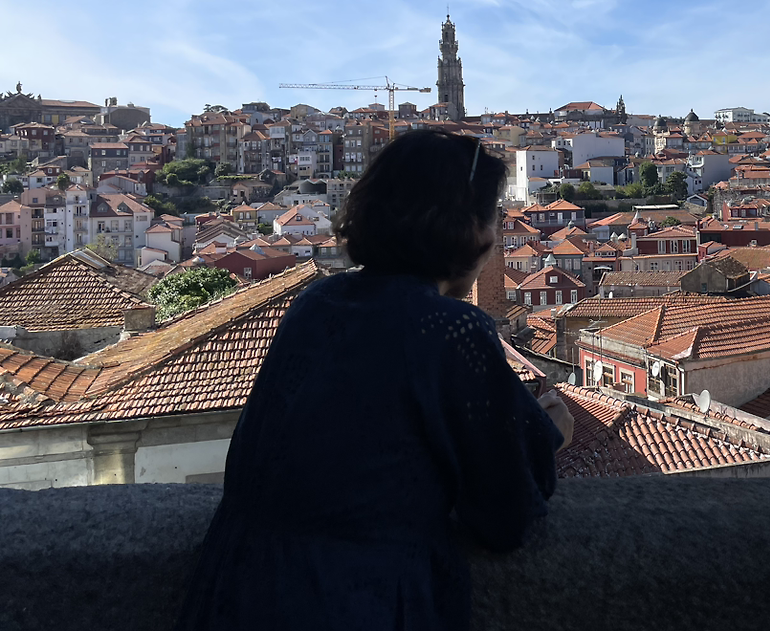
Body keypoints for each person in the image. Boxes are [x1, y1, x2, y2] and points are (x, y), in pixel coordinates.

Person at [175, 129, 573, 630]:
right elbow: (504, 515)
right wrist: (550, 437)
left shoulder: (315, 304)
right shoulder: (450, 328)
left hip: (236, 589)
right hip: (358, 599)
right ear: (473, 230)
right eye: (493, 216)